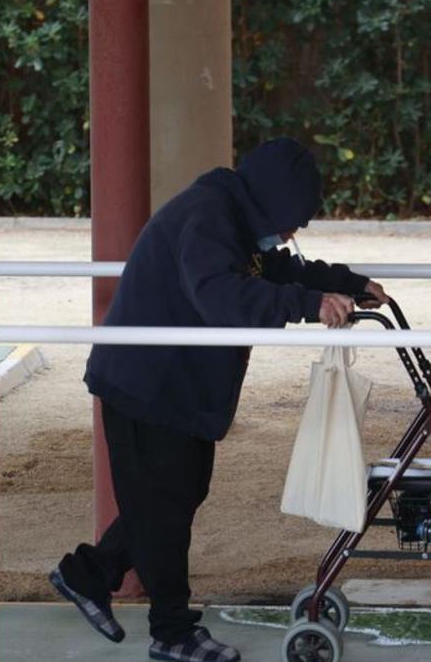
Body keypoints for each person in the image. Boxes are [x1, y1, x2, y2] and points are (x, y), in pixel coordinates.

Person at [48, 138, 388, 662]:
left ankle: (88, 575)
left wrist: (347, 283)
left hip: (175, 386)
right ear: (272, 201)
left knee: (176, 495)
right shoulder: (208, 217)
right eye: (292, 221)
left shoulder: (237, 218)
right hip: (145, 385)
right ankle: (173, 633)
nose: (292, 234)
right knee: (164, 508)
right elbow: (221, 297)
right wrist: (309, 304)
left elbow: (280, 270)